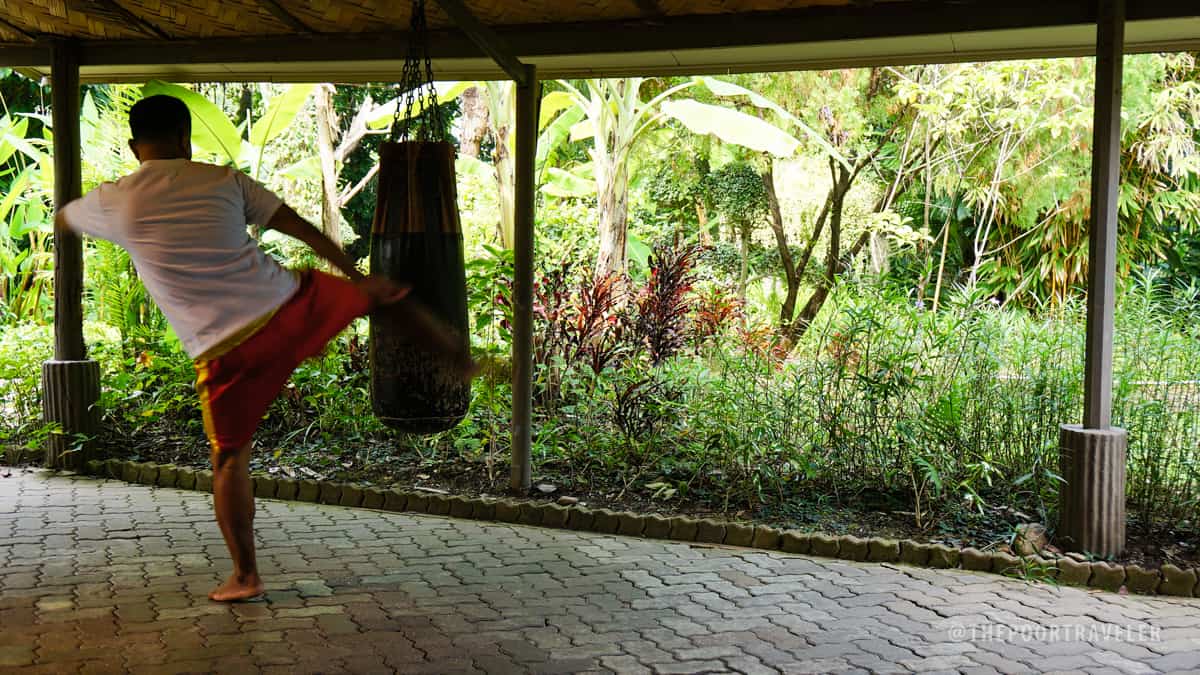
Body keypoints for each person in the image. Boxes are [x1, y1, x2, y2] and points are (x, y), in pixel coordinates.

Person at [56, 94, 464, 602]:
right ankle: (460, 359)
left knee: (229, 461)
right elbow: (305, 231)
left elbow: (64, 217)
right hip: (289, 308)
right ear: (185, 138)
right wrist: (358, 278)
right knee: (379, 297)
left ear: (136, 146)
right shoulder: (226, 181)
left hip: (225, 352)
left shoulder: (112, 200)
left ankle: (245, 576)